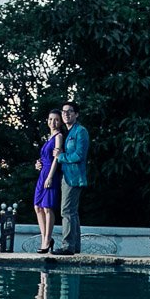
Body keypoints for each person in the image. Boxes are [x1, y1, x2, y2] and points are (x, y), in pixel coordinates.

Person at [57, 101, 89, 255]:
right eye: (64, 111)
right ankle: (74, 246)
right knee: (72, 212)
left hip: (74, 177)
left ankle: (67, 246)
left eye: (70, 111)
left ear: (76, 114)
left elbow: (79, 155)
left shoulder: (80, 131)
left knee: (67, 210)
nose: (66, 114)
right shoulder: (68, 132)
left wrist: (61, 156)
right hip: (67, 175)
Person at [32, 111, 64, 253]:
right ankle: (45, 238)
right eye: (50, 119)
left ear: (60, 122)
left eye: (56, 120)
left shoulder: (59, 136)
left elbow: (56, 158)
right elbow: (44, 157)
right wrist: (38, 164)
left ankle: (47, 240)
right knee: (37, 207)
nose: (53, 122)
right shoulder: (48, 137)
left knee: (47, 207)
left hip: (51, 173)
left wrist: (50, 176)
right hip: (42, 173)